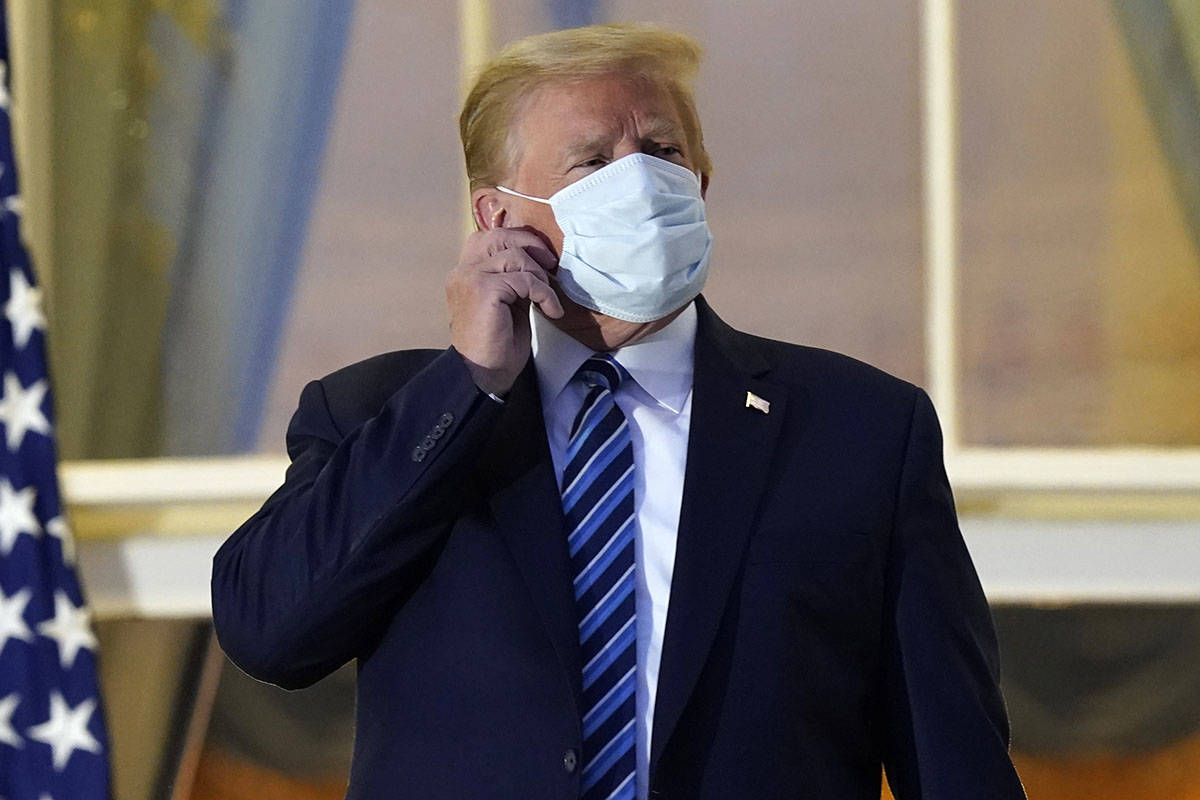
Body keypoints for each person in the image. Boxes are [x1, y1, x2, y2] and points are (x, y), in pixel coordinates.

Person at [211, 23, 1026, 800]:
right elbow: (268, 630)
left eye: (664, 151)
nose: (639, 180)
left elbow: (954, 760)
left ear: (701, 185)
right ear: (497, 218)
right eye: (593, 161)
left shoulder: (860, 433)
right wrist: (470, 385)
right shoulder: (377, 413)